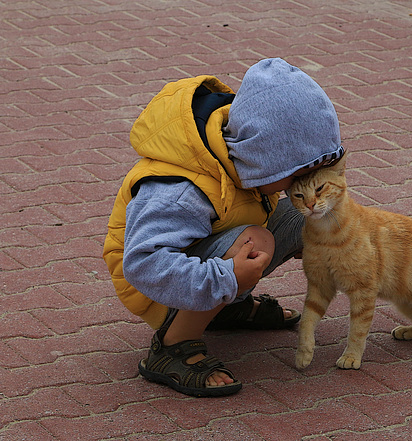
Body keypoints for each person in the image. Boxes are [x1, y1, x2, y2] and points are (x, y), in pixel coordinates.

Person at [103, 58, 344, 397]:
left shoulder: (242, 158)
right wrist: (227, 278)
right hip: (154, 282)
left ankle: (224, 308)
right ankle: (173, 346)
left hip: (198, 263)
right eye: (298, 172)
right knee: (255, 240)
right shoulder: (181, 191)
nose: (304, 181)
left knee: (302, 215)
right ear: (265, 156)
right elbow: (143, 264)